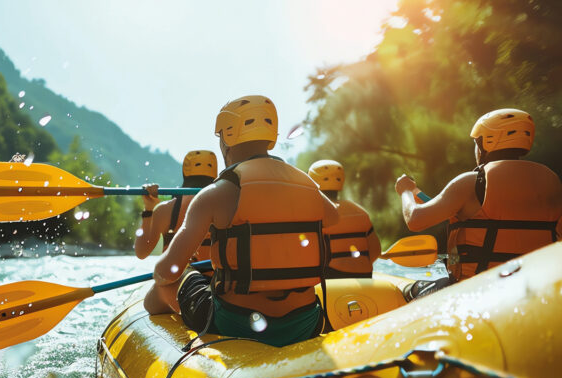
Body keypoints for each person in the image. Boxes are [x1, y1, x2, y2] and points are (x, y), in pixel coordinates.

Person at [144, 95, 339, 346]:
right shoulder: (308, 186)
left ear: (227, 138)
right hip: (305, 321)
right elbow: (333, 217)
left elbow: (166, 271)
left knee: (164, 286)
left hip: (236, 323)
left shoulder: (216, 193)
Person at [395, 108, 562, 297]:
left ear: (486, 143)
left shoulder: (472, 183)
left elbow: (415, 219)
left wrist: (406, 191)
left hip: (475, 291)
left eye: (476, 143)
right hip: (531, 290)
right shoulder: (549, 187)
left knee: (410, 292)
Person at [134, 150, 218, 260]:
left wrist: (149, 209)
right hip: (214, 271)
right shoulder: (228, 207)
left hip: (176, 271)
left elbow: (141, 253)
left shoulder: (165, 210)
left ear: (185, 172)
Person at [308, 159, 381, 279]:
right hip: (364, 275)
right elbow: (376, 251)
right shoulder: (360, 211)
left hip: (331, 277)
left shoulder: (314, 213)